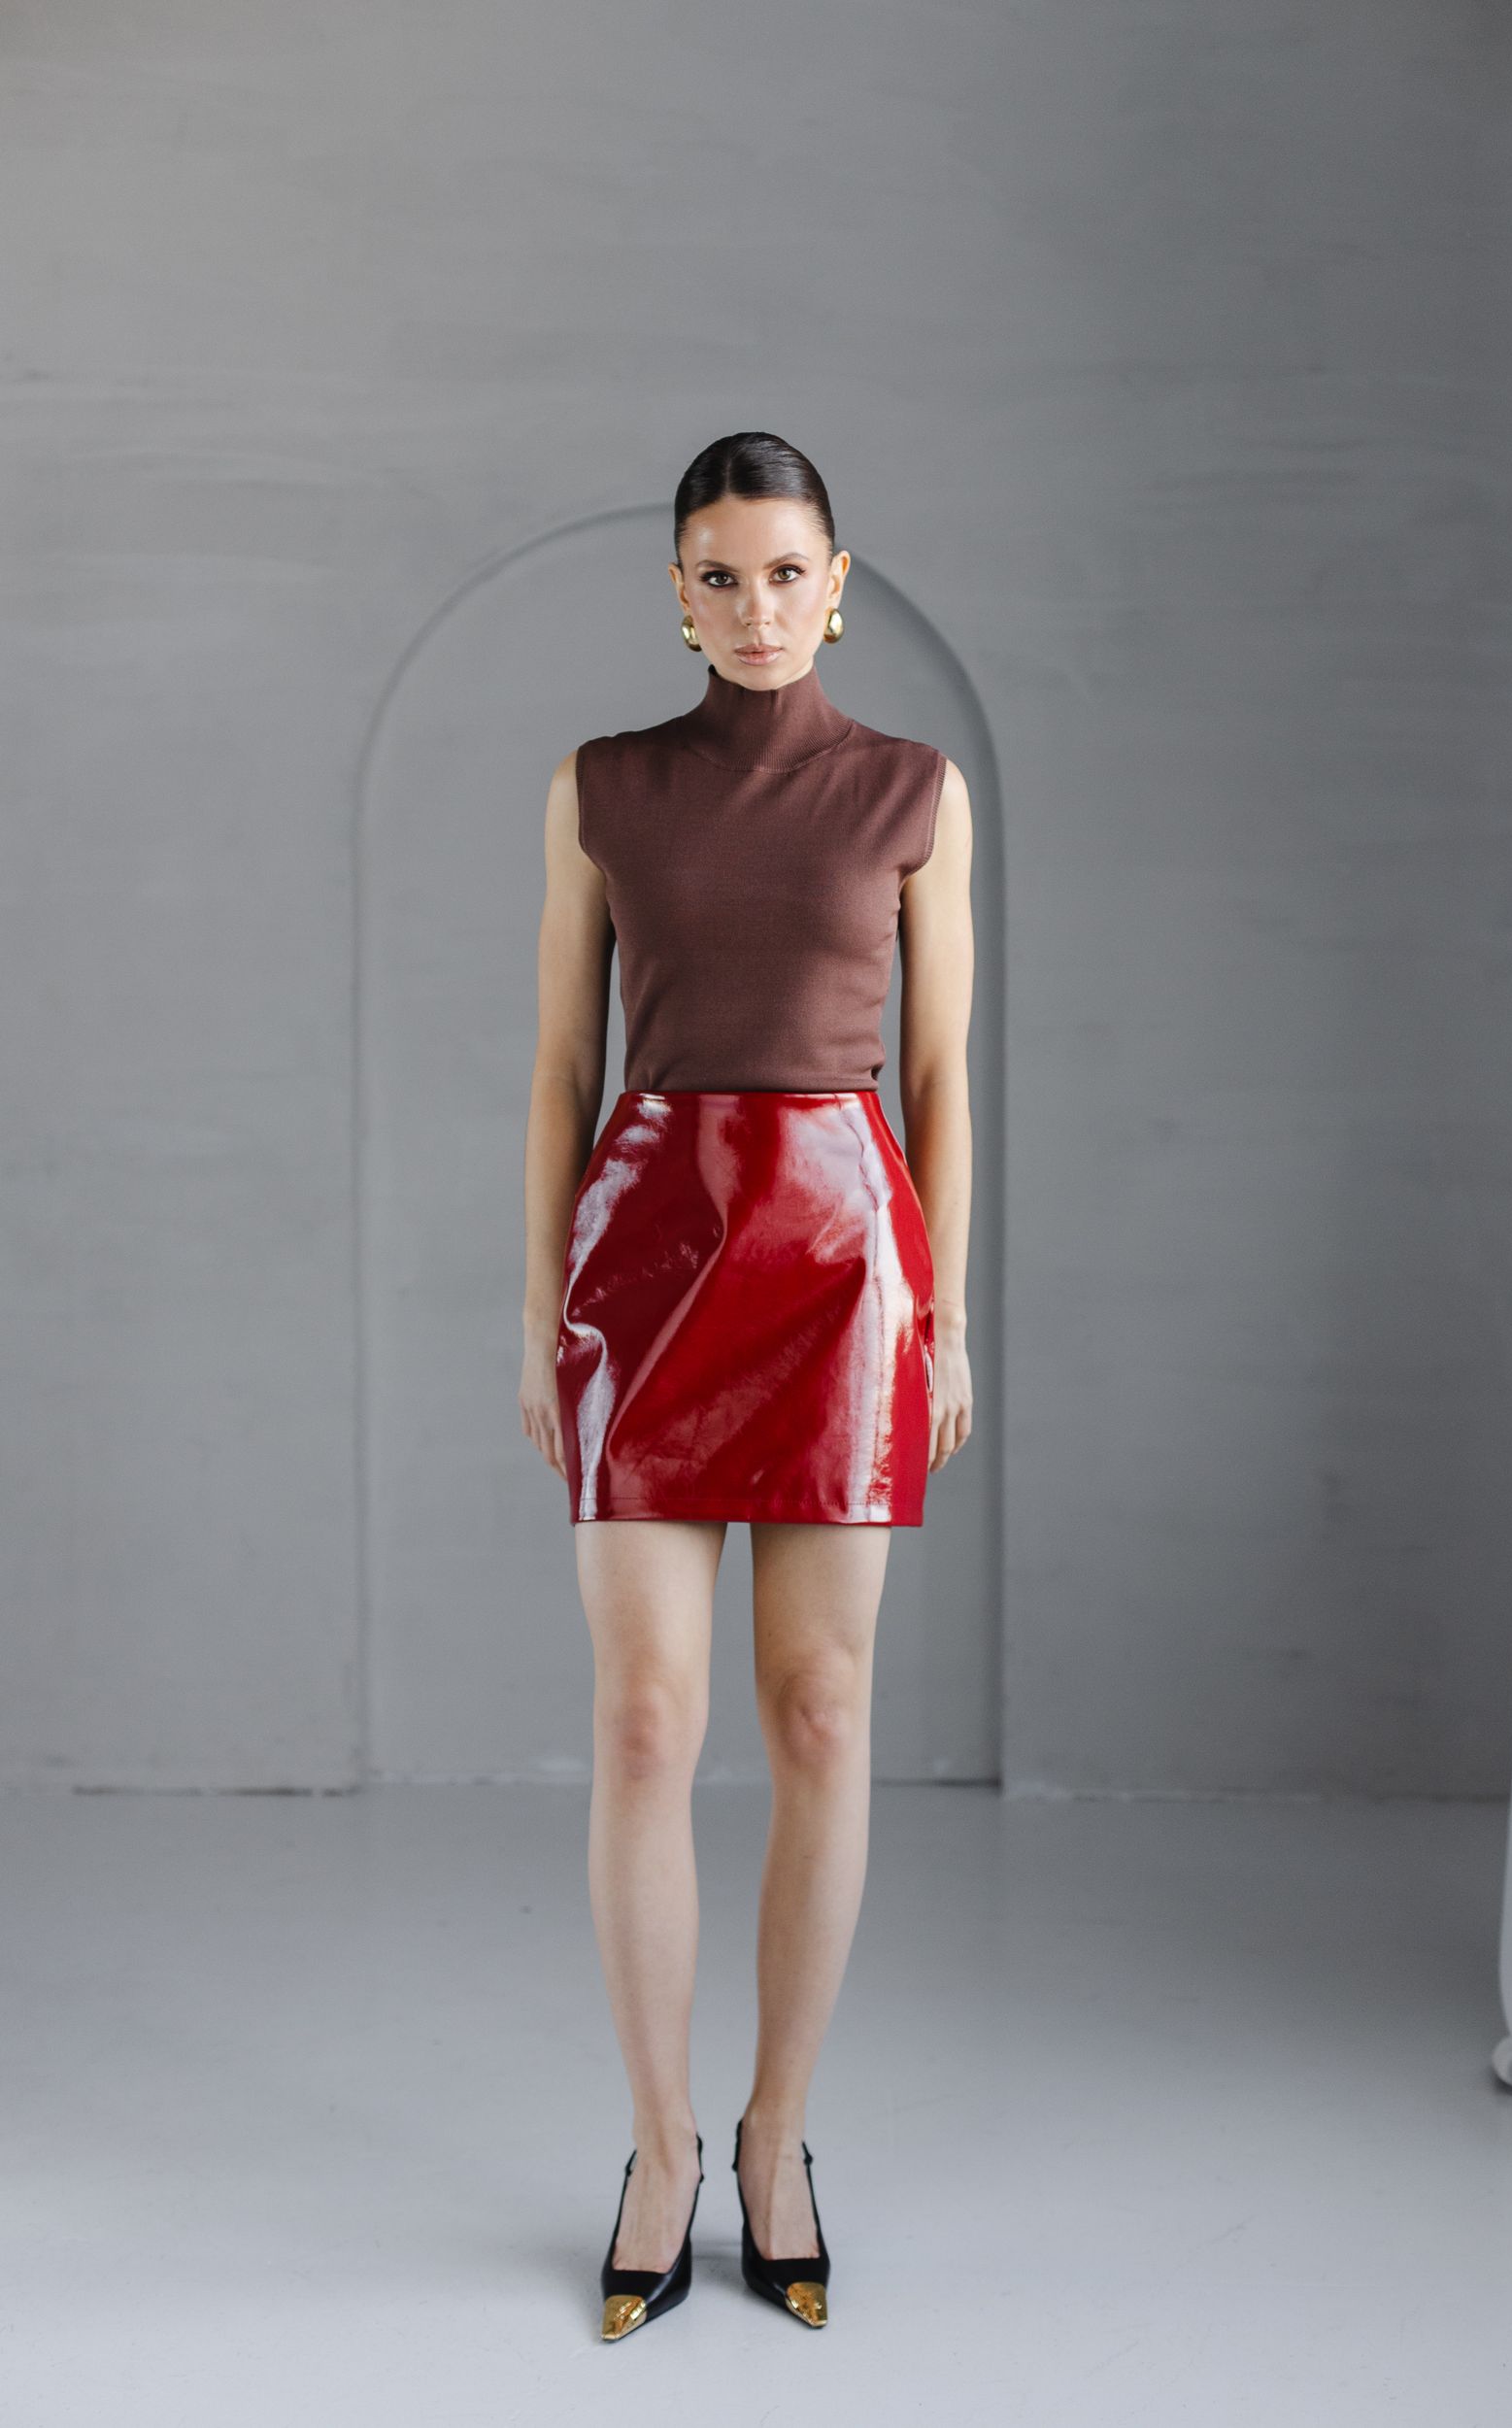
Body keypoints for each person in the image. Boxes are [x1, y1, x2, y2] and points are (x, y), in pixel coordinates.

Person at [518, 431, 974, 2339]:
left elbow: (937, 1077)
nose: (759, 609)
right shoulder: (602, 785)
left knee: (818, 1706)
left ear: (838, 584)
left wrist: (947, 1316)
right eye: (722, 576)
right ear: (679, 593)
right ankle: (657, 2144)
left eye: (789, 574)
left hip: (846, 1262)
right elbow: (563, 1062)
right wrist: (536, 1312)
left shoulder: (914, 790)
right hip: (644, 1259)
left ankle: (778, 2132)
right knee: (643, 1719)